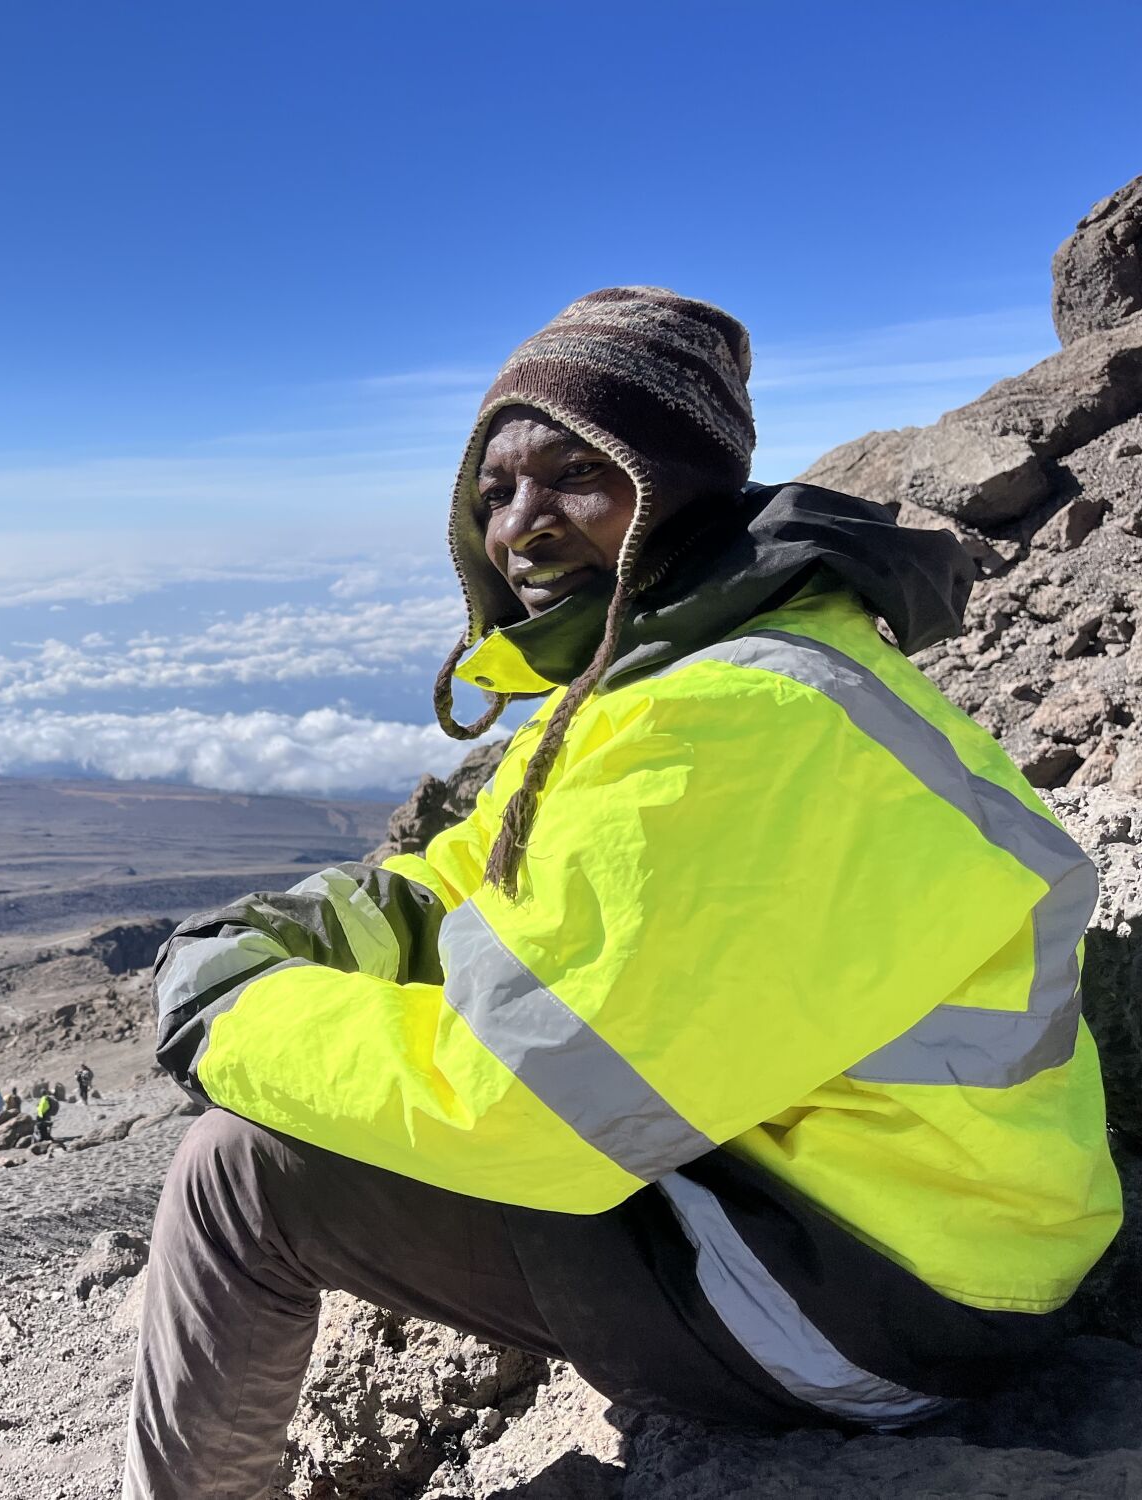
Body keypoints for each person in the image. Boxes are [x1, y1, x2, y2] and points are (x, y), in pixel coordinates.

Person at [123, 288, 1121, 1499]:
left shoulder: (727, 723)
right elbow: (478, 875)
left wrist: (226, 1011)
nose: (521, 526)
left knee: (241, 1173)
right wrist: (305, 929)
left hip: (879, 1297)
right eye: (491, 492)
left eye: (574, 475)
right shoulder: (690, 671)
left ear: (680, 484)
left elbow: (518, 1112)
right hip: (908, 1219)